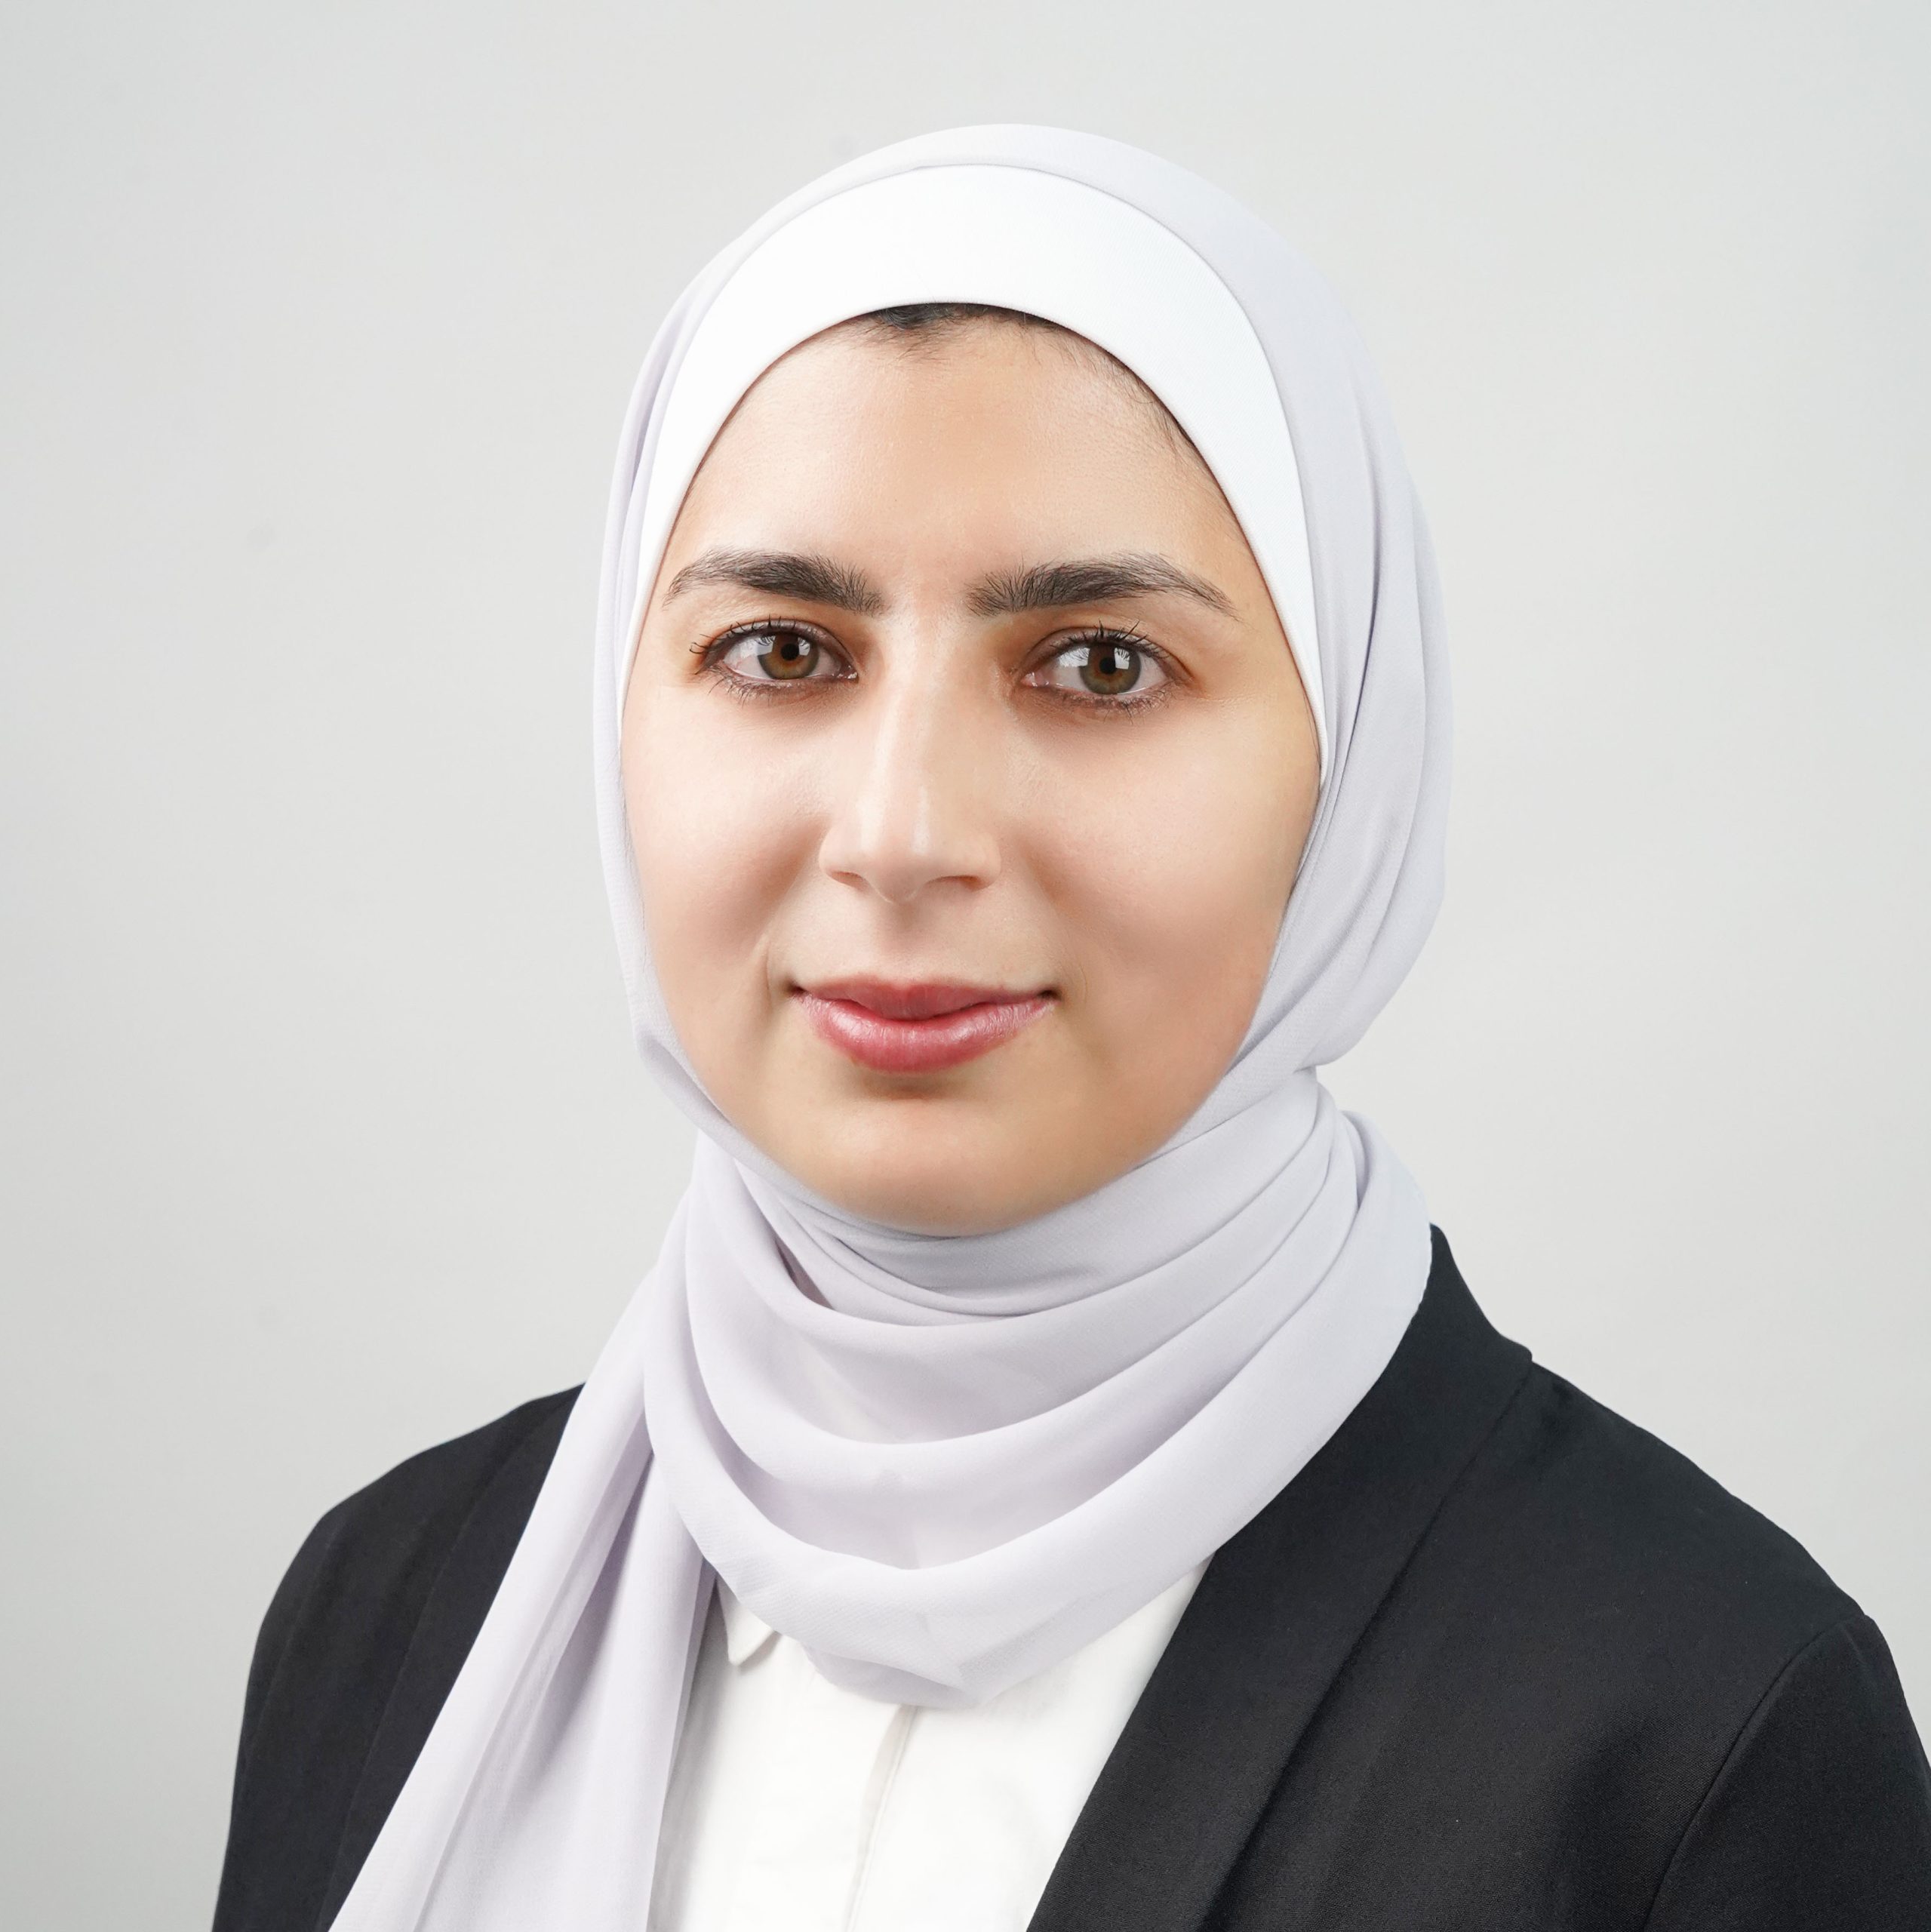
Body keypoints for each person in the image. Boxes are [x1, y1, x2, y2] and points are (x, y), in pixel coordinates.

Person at [212, 127, 1931, 1932]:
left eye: (1099, 662)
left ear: (1346, 768)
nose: (902, 832)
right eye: (782, 651)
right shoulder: (392, 1604)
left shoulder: (1695, 1736)